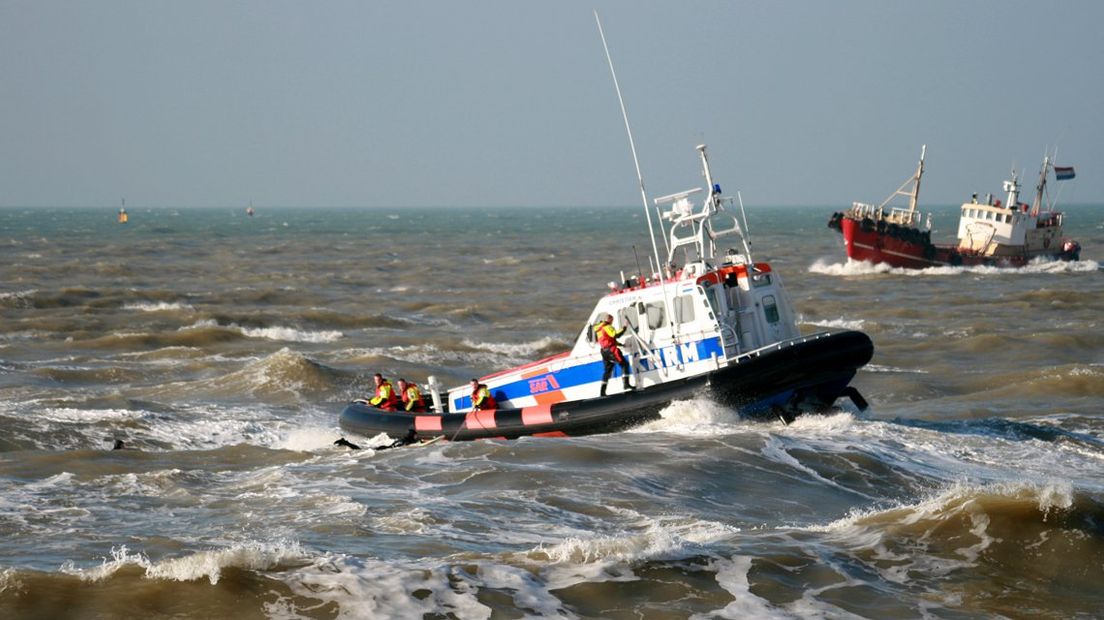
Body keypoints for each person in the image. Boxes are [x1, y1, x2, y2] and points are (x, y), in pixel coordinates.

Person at [593, 312, 633, 396]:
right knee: (624, 364)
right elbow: (616, 335)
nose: (612, 322)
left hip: (604, 352)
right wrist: (625, 327)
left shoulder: (599, 329)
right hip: (611, 350)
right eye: (612, 320)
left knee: (607, 371)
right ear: (609, 320)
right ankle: (626, 384)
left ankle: (602, 392)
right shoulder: (607, 327)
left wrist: (621, 345)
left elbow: (608, 339)